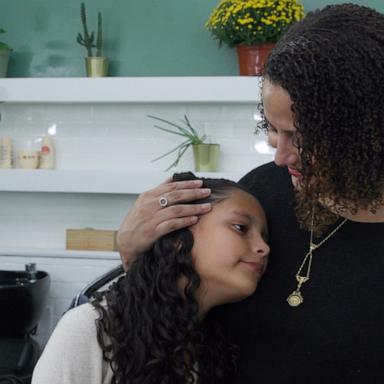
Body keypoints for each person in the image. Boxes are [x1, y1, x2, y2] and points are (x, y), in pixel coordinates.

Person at [117, 4, 384, 383]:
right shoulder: (261, 192)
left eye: (302, 138)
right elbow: (171, 319)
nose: (280, 156)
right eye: (271, 128)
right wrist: (132, 254)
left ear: (367, 130)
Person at [31, 172, 269, 384]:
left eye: (265, 237)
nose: (263, 248)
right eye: (240, 227)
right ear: (177, 234)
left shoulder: (211, 348)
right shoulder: (89, 329)